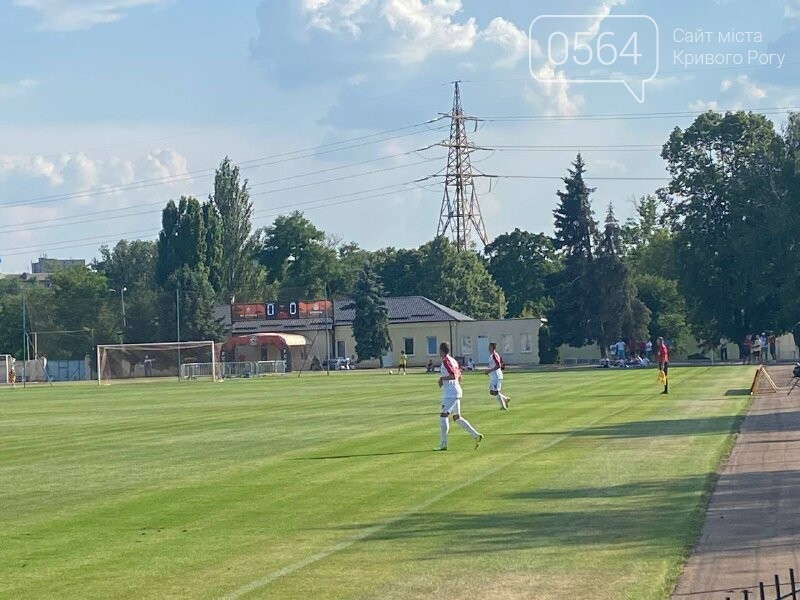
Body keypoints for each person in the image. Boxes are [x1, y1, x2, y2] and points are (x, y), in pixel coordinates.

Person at [434, 342, 482, 451]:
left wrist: (442, 379)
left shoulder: (446, 361)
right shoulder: (453, 360)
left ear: (442, 350)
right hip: (456, 391)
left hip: (450, 393)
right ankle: (476, 435)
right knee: (457, 417)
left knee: (443, 416)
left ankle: (443, 444)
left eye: (439, 350)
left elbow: (452, 375)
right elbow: (460, 376)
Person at [486, 341, 511, 410]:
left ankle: (503, 406)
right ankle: (505, 399)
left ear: (491, 347)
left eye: (489, 347)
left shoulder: (494, 355)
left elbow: (498, 365)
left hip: (496, 376)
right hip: (493, 376)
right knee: (492, 392)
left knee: (495, 391)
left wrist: (490, 370)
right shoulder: (492, 355)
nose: (488, 348)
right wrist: (489, 371)